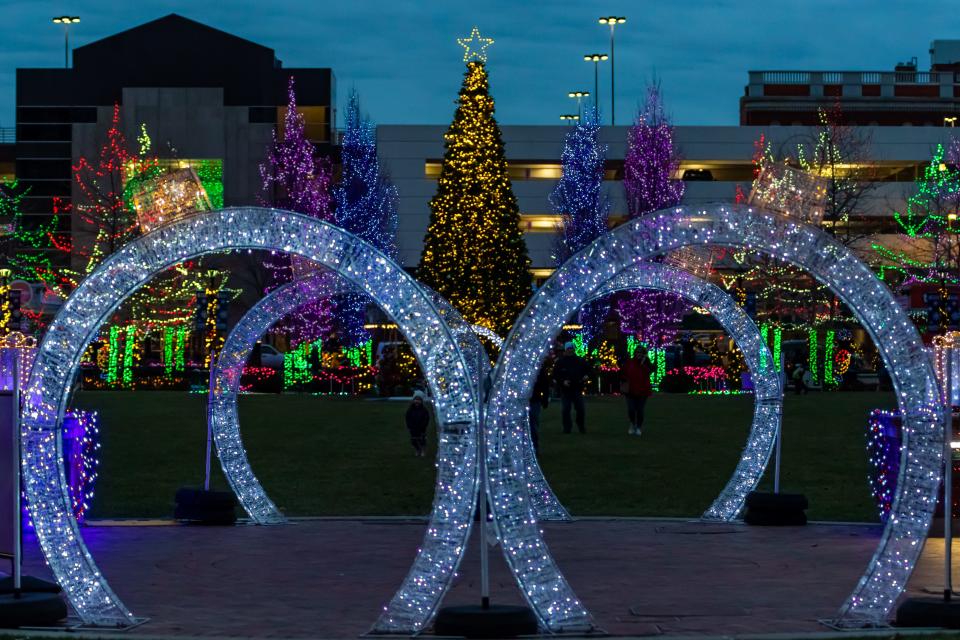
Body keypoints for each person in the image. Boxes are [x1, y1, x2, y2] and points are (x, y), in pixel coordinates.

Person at [551, 341, 592, 434]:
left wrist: (586, 376)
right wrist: (563, 381)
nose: (570, 350)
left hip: (577, 388)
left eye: (571, 348)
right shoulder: (560, 362)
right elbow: (556, 374)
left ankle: (580, 425)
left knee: (580, 409)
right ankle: (567, 428)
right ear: (565, 350)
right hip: (566, 390)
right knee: (565, 409)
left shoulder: (580, 361)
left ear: (574, 349)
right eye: (568, 348)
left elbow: (589, 370)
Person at [620, 350, 653, 436]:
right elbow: (623, 372)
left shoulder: (646, 363)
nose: (639, 355)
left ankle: (638, 427)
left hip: (643, 391)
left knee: (640, 410)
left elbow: (650, 371)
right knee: (631, 409)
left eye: (641, 353)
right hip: (630, 390)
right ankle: (632, 423)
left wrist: (645, 363)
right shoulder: (629, 362)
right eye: (637, 353)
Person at [529, 362, 552, 454]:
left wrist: (545, 398)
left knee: (533, 423)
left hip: (534, 399)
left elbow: (544, 383)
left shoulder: (538, 367)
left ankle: (534, 446)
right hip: (526, 399)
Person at [405, 390, 430, 457]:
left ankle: (422, 451)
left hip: (421, 428)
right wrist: (409, 425)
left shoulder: (424, 410)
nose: (417, 401)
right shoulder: (410, 410)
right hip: (413, 428)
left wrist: (423, 425)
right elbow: (407, 418)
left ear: (421, 401)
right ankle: (417, 450)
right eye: (416, 399)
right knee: (414, 441)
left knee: (421, 440)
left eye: (419, 400)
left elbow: (426, 418)